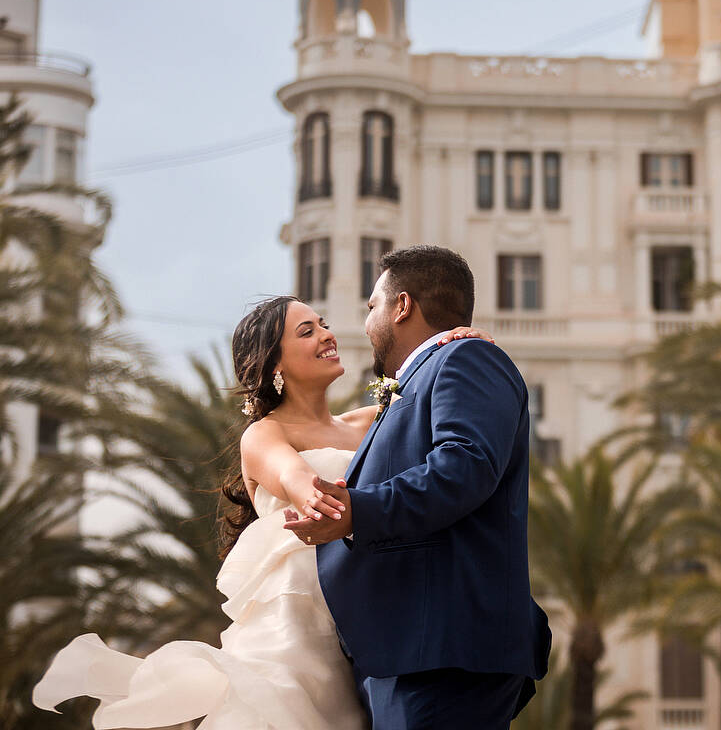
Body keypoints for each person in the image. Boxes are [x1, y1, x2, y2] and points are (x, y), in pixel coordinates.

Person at [32, 295, 487, 728]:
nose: (326, 335)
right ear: (275, 367)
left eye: (324, 325)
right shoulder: (263, 435)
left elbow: (439, 413)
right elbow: (294, 477)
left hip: (376, 616)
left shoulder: (373, 421)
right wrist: (316, 499)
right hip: (296, 628)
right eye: (307, 331)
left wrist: (451, 344)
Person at [283, 244, 552, 729]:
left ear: (402, 306)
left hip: (443, 652)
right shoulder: (428, 375)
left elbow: (464, 466)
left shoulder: (466, 359)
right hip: (408, 652)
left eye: (371, 308)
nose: (365, 326)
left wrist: (356, 511)